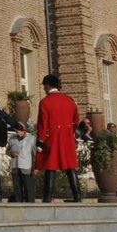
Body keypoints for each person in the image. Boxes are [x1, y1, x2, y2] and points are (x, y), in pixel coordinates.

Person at [36, 72, 84, 203]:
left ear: (47, 86)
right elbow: (76, 121)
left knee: (50, 166)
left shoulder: (45, 102)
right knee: (70, 166)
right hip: (67, 137)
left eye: (44, 87)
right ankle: (77, 197)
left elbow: (42, 124)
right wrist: (70, 133)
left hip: (52, 137)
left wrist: (39, 142)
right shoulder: (70, 100)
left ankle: (47, 197)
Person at [7, 121, 37, 202]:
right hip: (15, 166)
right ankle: (18, 203)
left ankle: (30, 204)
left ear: (24, 130)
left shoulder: (32, 139)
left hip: (27, 167)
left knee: (28, 188)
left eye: (20, 131)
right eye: (17, 131)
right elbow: (7, 151)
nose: (18, 133)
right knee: (17, 189)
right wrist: (11, 153)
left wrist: (36, 167)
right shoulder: (12, 138)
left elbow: (35, 154)